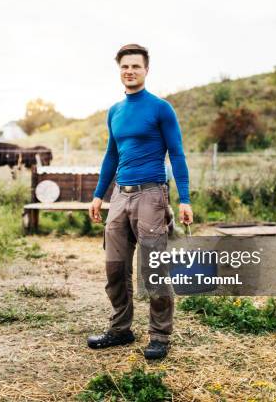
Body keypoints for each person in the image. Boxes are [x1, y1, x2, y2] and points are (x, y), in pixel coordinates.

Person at [88, 44, 193, 360]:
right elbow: (111, 155)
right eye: (124, 66)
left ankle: (160, 335)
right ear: (119, 70)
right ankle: (120, 329)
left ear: (146, 70)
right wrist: (98, 195)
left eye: (136, 66)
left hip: (152, 195)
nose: (130, 71)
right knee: (114, 267)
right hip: (120, 195)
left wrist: (184, 198)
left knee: (153, 270)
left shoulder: (161, 108)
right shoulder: (115, 112)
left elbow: (176, 153)